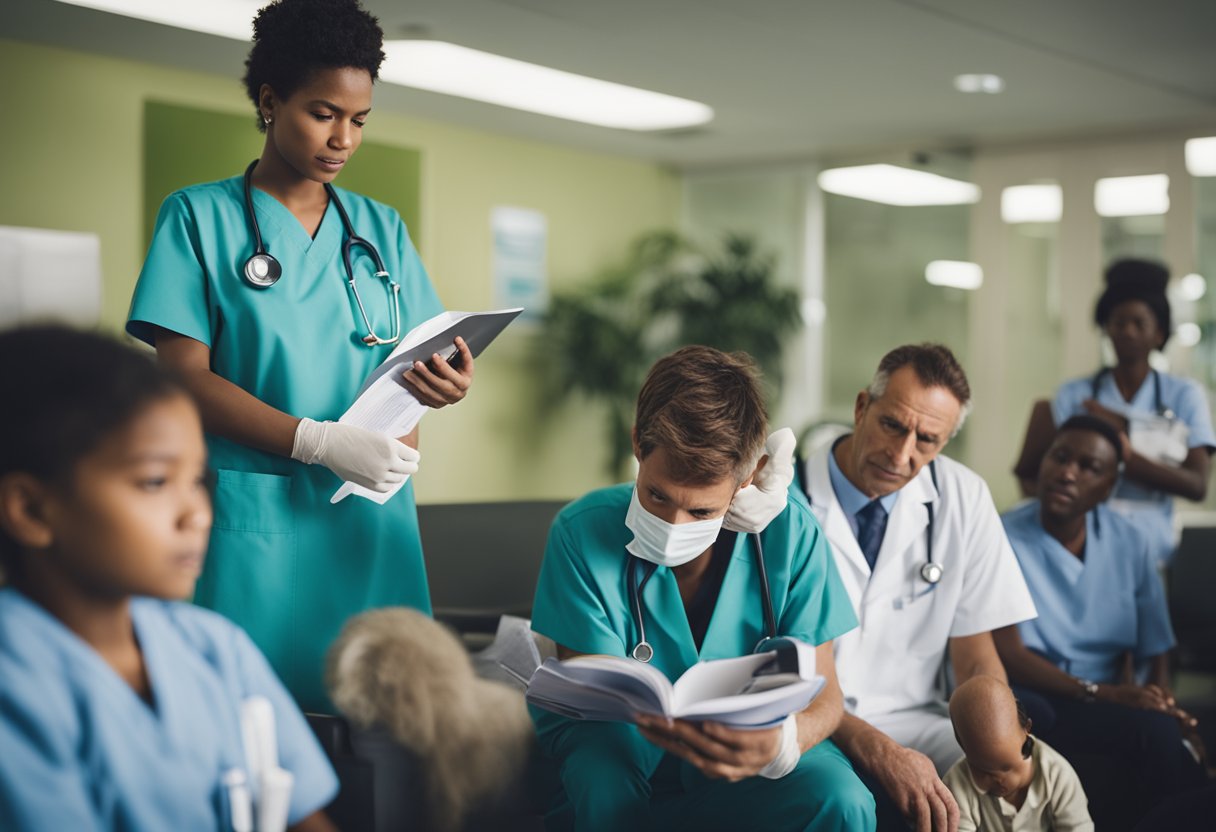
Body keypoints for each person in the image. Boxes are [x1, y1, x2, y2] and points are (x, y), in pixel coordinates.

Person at [126, 0, 475, 710]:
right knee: (243, 724)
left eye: (359, 120)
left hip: (369, 525)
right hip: (255, 528)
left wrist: (435, 392)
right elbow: (184, 382)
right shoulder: (198, 218)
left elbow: (408, 367)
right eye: (322, 113)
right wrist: (314, 441)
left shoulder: (381, 229)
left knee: (385, 740)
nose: (342, 138)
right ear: (269, 100)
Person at [0, 325, 338, 831]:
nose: (197, 515)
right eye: (155, 481)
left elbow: (303, 817)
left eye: (198, 480)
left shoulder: (216, 649)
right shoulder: (18, 687)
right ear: (31, 509)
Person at [530, 346, 875, 832]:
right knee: (604, 777)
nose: (673, 524)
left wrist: (783, 743)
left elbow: (827, 698)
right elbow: (591, 698)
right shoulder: (581, 532)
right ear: (637, 444)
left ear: (748, 478)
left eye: (701, 512)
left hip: (745, 764)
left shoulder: (790, 533)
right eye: (657, 495)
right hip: (626, 756)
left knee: (841, 801)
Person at [800, 343, 1038, 832]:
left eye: (927, 440)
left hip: (920, 721)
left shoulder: (964, 497)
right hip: (813, 720)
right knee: (841, 802)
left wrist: (999, 745)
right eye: (892, 425)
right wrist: (875, 746)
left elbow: (975, 656)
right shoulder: (786, 498)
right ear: (862, 406)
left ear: (945, 441)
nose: (902, 454)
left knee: (1015, 797)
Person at [995, 415, 1207, 828]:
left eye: (1089, 467)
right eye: (1060, 458)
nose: (1068, 473)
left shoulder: (1130, 541)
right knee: (1043, 716)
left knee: (1167, 739)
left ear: (1109, 486)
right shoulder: (1001, 535)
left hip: (1106, 695)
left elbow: (1155, 644)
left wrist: (1161, 702)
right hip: (1032, 693)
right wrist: (1103, 693)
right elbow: (1009, 653)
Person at [1014, 258, 1216, 564]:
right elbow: (1037, 471)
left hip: (1153, 550)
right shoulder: (1075, 394)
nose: (1128, 332)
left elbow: (1197, 486)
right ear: (1105, 327)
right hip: (1081, 544)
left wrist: (1120, 442)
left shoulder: (1185, 395)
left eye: (1139, 323)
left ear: (1159, 333)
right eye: (1118, 322)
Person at [942, 676, 1093, 832]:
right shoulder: (956, 787)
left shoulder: (1057, 774)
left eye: (1007, 767)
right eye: (983, 771)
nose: (999, 780)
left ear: (1026, 729)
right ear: (963, 747)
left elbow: (1078, 827)